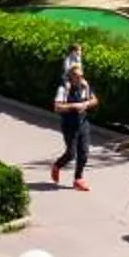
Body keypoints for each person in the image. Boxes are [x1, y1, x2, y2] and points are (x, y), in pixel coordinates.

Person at [50, 61, 96, 190]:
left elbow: (94, 100)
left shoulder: (84, 86)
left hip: (83, 123)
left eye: (81, 75)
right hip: (69, 125)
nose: (80, 78)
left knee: (84, 153)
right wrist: (74, 106)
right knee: (71, 154)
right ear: (70, 76)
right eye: (77, 76)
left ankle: (78, 179)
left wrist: (86, 104)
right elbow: (57, 107)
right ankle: (57, 166)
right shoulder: (64, 89)